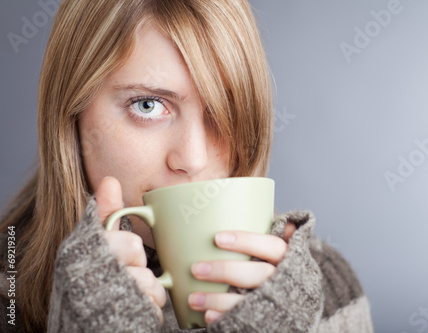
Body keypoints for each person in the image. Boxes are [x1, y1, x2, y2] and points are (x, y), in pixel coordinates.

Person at [0, 0, 374, 331]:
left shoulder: (329, 286)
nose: (193, 160)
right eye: (147, 105)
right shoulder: (9, 288)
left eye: (222, 108)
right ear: (71, 114)